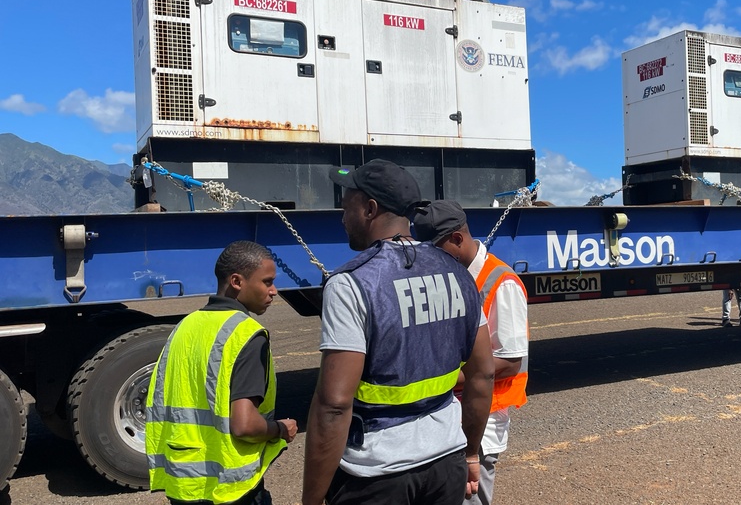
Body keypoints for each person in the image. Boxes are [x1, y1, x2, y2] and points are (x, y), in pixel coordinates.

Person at [302, 159, 494, 505]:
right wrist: (470, 453)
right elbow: (483, 374)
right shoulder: (458, 273)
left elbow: (333, 404)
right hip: (446, 462)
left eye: (347, 207)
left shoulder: (351, 283)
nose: (342, 217)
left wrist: (311, 499)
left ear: (370, 209)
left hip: (376, 474)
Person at [146, 240, 298, 505]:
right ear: (237, 281)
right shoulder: (246, 335)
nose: (274, 291)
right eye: (267, 282)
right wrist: (280, 430)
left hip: (184, 485)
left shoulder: (185, 326)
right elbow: (244, 425)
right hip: (231, 490)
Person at [413, 200, 529, 505]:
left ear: (457, 239)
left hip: (483, 419)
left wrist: (442, 380)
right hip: (450, 416)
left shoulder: (500, 283)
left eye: (436, 250)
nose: (431, 260)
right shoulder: (449, 276)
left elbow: (510, 361)